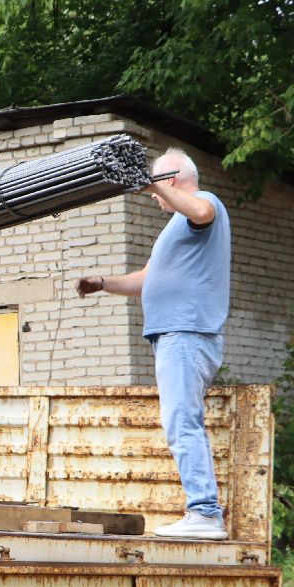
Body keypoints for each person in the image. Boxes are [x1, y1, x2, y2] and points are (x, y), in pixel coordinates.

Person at [75, 147, 231, 540]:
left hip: (186, 333)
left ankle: (205, 513)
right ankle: (203, 511)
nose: (153, 197)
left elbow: (202, 212)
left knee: (182, 421)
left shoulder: (202, 205)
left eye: (156, 189)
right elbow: (147, 278)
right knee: (179, 420)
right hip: (176, 335)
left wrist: (150, 181)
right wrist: (103, 283)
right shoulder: (174, 229)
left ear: (172, 180)